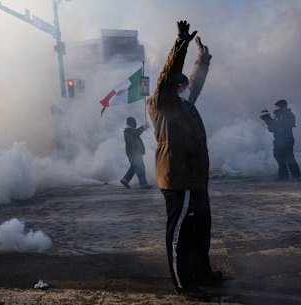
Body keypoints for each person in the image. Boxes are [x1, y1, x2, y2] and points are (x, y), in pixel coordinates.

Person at [147, 20, 222, 300]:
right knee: (180, 234)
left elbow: (194, 81)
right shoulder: (161, 103)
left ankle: (202, 273)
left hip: (195, 178)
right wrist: (181, 45)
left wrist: (202, 58)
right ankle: (184, 283)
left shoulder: (184, 103)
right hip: (177, 178)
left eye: (182, 87)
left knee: (201, 228)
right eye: (178, 86)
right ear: (170, 87)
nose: (183, 88)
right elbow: (171, 74)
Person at [260, 99, 301, 180]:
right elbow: (271, 129)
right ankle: (283, 176)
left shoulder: (288, 115)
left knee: (289, 158)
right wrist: (267, 120)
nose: (277, 108)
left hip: (286, 139)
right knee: (279, 157)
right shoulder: (278, 116)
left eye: (278, 106)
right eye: (277, 106)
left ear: (283, 106)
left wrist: (269, 120)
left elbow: (279, 125)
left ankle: (296, 176)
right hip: (279, 140)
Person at [120, 117, 153, 189]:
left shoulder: (129, 130)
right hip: (134, 153)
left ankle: (125, 180)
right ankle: (144, 184)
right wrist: (143, 127)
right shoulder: (128, 131)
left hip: (133, 153)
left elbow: (136, 133)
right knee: (140, 168)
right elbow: (137, 132)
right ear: (131, 123)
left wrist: (143, 127)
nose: (135, 123)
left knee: (134, 167)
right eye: (134, 121)